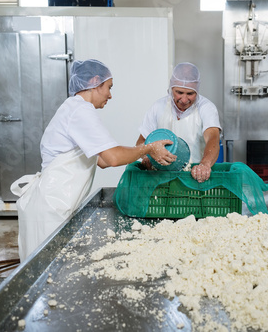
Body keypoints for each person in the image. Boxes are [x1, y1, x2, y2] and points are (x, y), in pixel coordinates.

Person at [11, 59, 176, 261]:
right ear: (96, 82)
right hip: (50, 209)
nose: (110, 94)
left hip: (55, 204)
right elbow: (113, 158)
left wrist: (142, 154)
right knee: (45, 274)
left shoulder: (73, 109)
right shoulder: (80, 111)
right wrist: (149, 148)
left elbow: (103, 161)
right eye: (109, 87)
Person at [136, 62, 222, 183]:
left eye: (190, 94)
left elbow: (213, 139)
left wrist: (204, 165)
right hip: (162, 178)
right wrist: (146, 157)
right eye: (179, 93)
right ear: (171, 89)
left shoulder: (207, 108)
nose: (184, 99)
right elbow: (141, 142)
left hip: (196, 178)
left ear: (197, 91)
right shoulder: (158, 107)